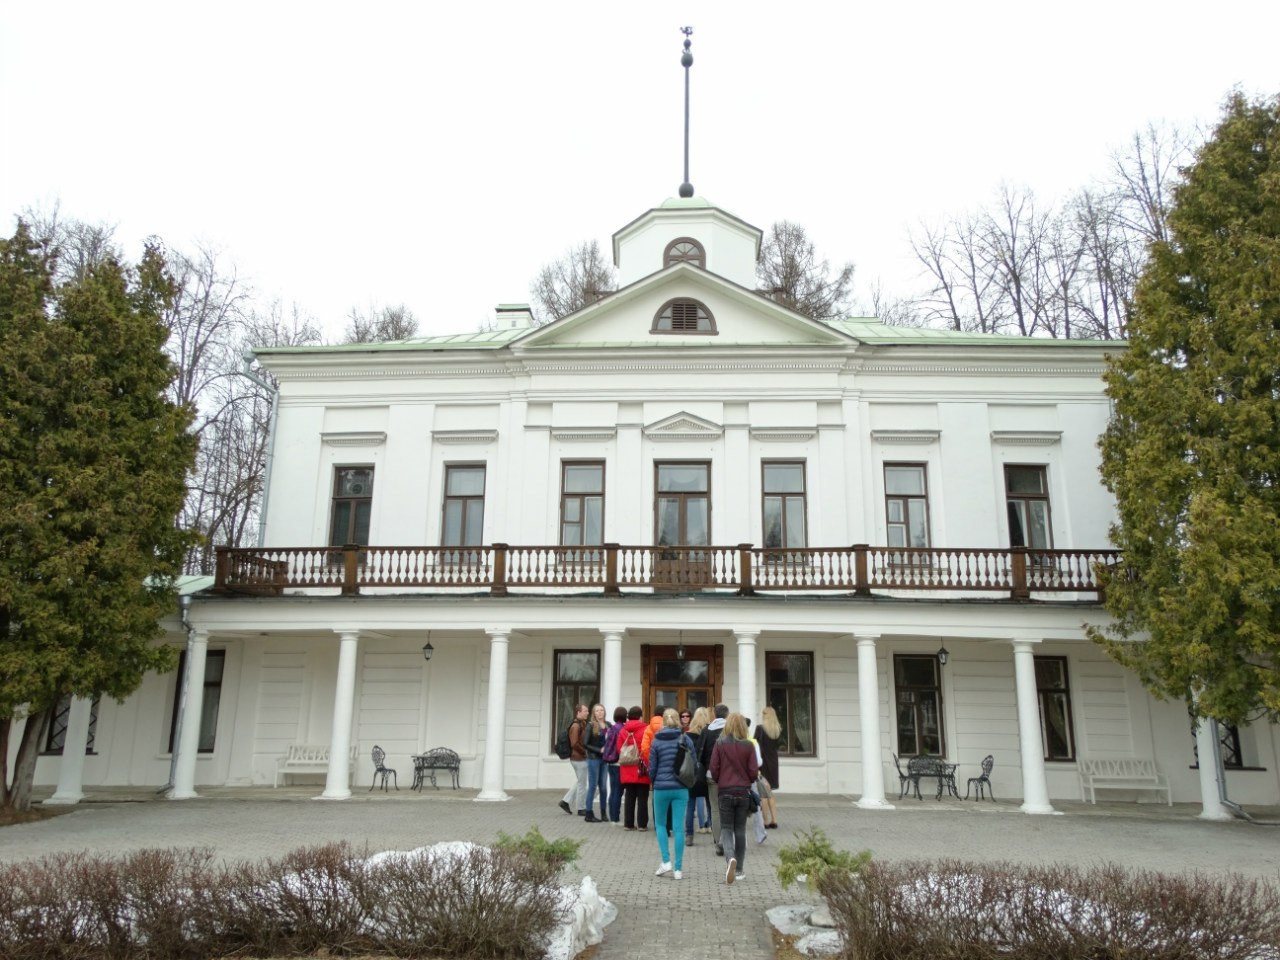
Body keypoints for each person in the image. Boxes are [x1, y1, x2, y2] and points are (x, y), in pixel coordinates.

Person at [709, 711, 758, 885]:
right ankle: (739, 870)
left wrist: (720, 780)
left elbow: (714, 768)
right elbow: (753, 772)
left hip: (725, 790)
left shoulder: (720, 744)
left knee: (727, 828)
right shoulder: (748, 745)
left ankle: (730, 858)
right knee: (740, 830)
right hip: (743, 792)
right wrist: (746, 780)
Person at [647, 708, 695, 880]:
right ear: (677, 720)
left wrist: (653, 781)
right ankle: (678, 869)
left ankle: (666, 861)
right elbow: (694, 763)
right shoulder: (685, 739)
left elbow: (652, 767)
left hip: (661, 787)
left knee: (660, 824)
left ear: (663, 722)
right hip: (681, 787)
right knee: (678, 828)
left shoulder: (656, 741)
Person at [697, 703, 728, 854]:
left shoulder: (706, 731)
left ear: (715, 715)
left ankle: (718, 843)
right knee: (729, 809)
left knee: (715, 810)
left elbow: (699, 753)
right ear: (727, 715)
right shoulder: (732, 730)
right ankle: (729, 841)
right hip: (731, 777)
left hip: (712, 776)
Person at [618, 706, 651, 830]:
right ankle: (642, 824)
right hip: (640, 767)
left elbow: (619, 749)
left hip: (627, 768)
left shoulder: (622, 731)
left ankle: (628, 824)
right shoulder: (645, 729)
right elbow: (647, 748)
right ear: (640, 716)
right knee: (643, 798)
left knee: (629, 797)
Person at [558, 703, 589, 817]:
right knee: (582, 784)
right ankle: (581, 808)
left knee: (581, 781)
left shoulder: (582, 723)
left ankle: (565, 801)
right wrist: (585, 753)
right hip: (579, 758)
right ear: (579, 712)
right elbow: (574, 743)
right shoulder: (576, 726)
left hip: (579, 758)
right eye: (585, 711)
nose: (588, 712)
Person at [755, 706, 781, 829]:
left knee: (763, 794)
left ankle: (765, 821)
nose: (762, 715)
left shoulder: (760, 729)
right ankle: (774, 820)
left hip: (763, 763)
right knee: (769, 792)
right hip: (773, 762)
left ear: (766, 715)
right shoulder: (777, 730)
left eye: (763, 713)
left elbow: (754, 744)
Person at [583, 703, 608, 822]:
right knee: (592, 786)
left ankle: (603, 812)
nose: (600, 712)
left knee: (603, 787)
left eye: (601, 710)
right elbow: (585, 743)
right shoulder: (591, 725)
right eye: (597, 711)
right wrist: (599, 750)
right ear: (594, 713)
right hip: (593, 759)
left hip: (605, 760)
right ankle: (588, 813)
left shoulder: (608, 725)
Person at [603, 706, 627, 825]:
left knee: (613, 790)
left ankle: (612, 816)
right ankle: (615, 818)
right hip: (619, 763)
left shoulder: (611, 728)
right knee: (618, 791)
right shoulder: (623, 729)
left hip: (610, 763)